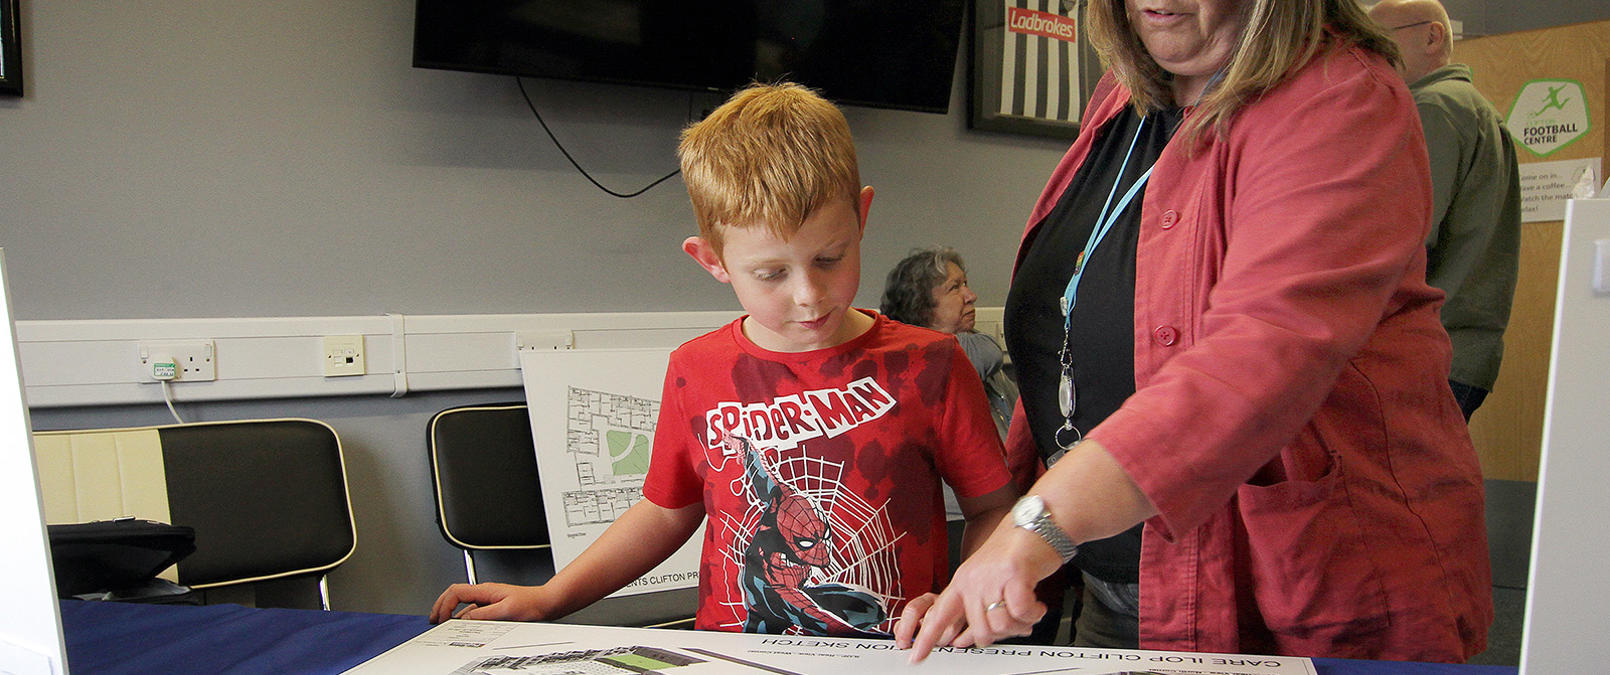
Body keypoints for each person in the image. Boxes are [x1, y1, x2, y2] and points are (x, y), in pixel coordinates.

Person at [898, 0, 1491, 662]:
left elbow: (1252, 364)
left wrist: (1037, 527)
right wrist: (985, 572)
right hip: (1121, 595)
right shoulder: (1126, 92)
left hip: (1308, 605)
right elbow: (1066, 341)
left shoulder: (1342, 99)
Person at [430, 83, 1019, 637]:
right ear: (711, 260)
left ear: (861, 217)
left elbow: (991, 508)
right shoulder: (696, 369)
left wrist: (967, 595)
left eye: (830, 258)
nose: (808, 294)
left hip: (893, 655)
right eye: (770, 274)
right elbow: (664, 514)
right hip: (732, 653)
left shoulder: (931, 364)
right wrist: (549, 597)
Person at [1368, 0, 1522, 421]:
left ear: (1432, 35)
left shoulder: (1432, 108)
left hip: (1426, 352)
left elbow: (1401, 239)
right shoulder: (1472, 107)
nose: (1369, 58)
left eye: (1378, 42)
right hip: (1463, 349)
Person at [880, 246, 1019, 439]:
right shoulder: (924, 362)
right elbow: (986, 353)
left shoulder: (972, 342)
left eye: (965, 284)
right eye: (955, 287)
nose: (971, 296)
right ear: (922, 307)